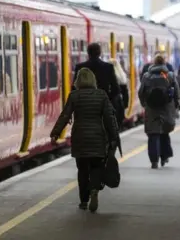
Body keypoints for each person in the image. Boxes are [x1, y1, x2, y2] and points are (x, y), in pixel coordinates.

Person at [50, 67, 119, 213]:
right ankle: (94, 189)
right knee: (95, 166)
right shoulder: (102, 95)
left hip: (80, 137)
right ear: (93, 81)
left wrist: (55, 133)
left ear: (78, 81)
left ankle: (83, 201)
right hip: (98, 137)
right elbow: (109, 118)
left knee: (82, 170)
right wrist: (114, 137)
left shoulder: (74, 96)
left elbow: (65, 115)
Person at [138, 54, 180, 169]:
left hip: (151, 109)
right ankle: (164, 156)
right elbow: (176, 92)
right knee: (164, 132)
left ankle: (154, 161)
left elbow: (141, 92)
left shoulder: (147, 76)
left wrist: (144, 104)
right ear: (164, 63)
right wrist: (176, 105)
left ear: (154, 63)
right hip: (167, 108)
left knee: (153, 134)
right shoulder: (169, 75)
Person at [109, 58, 129, 128]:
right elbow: (125, 93)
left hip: (111, 103)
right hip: (119, 104)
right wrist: (125, 105)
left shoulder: (108, 76)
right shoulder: (121, 75)